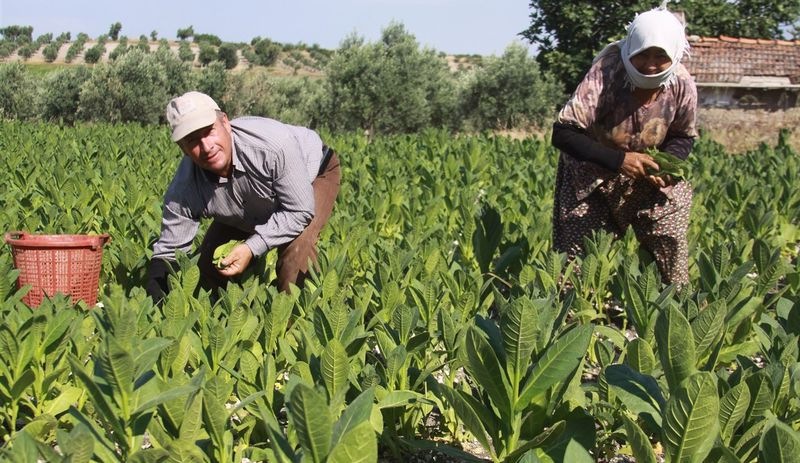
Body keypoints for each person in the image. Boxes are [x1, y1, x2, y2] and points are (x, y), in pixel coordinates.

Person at [550, 7, 697, 285]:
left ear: (674, 55)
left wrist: (665, 163)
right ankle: (572, 320)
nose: (650, 64)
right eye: (642, 54)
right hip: (592, 176)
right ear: (630, 48)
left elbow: (683, 136)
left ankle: (673, 312)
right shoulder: (606, 73)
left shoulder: (682, 82)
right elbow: (563, 133)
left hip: (649, 177)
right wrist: (620, 161)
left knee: (670, 244)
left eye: (661, 56)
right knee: (578, 262)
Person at [146, 91, 341, 300]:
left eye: (209, 131)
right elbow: (168, 254)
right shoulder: (184, 189)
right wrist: (154, 308)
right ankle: (219, 323)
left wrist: (251, 247)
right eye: (192, 140)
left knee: (296, 249)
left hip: (311, 175)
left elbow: (299, 211)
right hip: (247, 201)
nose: (206, 147)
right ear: (182, 148)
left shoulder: (272, 147)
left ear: (225, 123)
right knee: (208, 264)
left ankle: (294, 325)